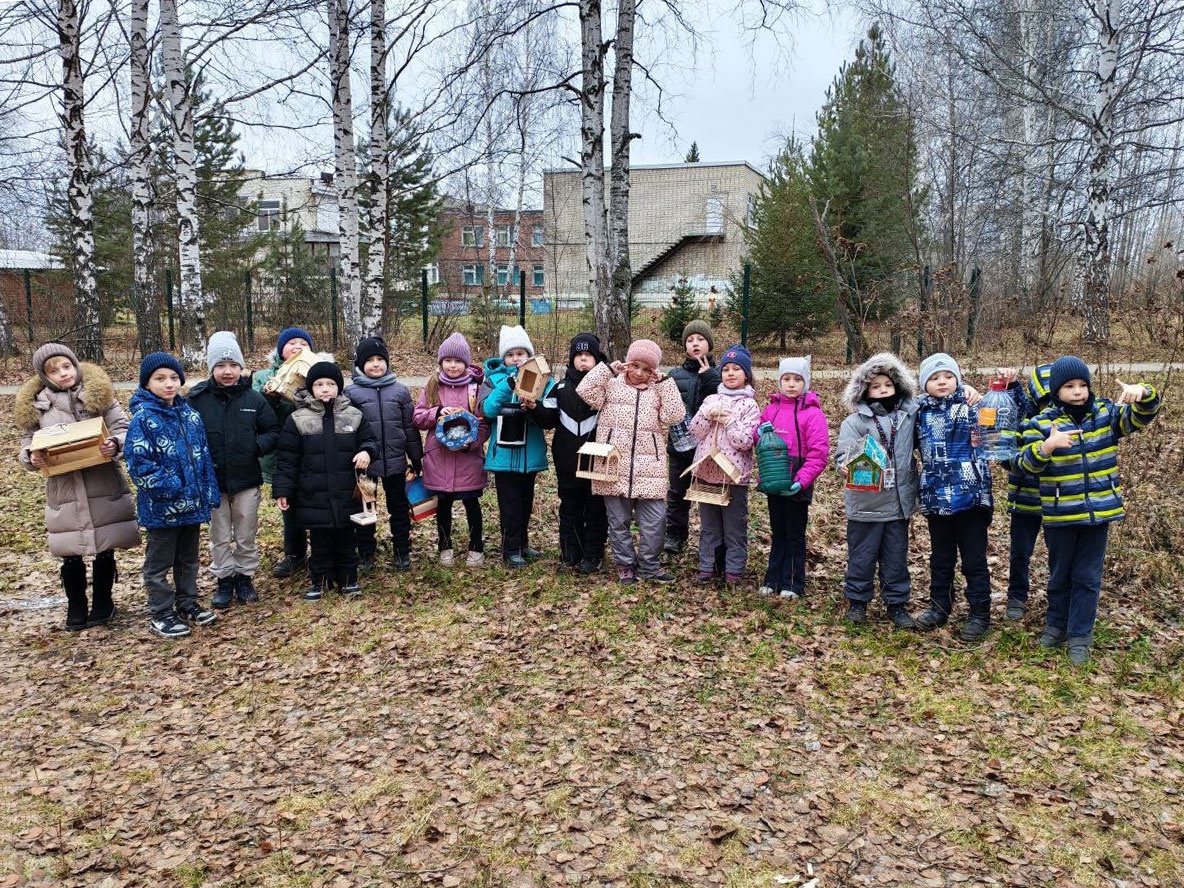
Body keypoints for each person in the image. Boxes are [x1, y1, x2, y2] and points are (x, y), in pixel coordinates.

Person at [1016, 357, 1161, 665]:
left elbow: (1143, 415)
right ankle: (1056, 624)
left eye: (1082, 385)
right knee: (1059, 574)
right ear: (1056, 390)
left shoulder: (1106, 415)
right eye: (1069, 386)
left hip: (1098, 515)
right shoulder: (1041, 424)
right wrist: (1048, 447)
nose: (1078, 392)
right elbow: (1024, 464)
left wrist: (1143, 391)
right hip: (1060, 515)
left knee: (1087, 576)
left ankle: (1080, 635)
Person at [16, 343, 140, 631]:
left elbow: (123, 428)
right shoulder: (36, 404)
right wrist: (31, 456)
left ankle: (103, 602)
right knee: (70, 548)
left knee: (104, 543)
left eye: (65, 366)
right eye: (53, 370)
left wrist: (116, 444)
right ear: (44, 376)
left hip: (101, 481)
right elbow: (26, 443)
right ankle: (76, 604)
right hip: (64, 488)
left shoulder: (98, 394)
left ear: (74, 365)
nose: (62, 374)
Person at [125, 352, 221, 639]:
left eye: (174, 378)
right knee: (159, 562)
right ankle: (161, 611)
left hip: (193, 504)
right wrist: (172, 487)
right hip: (163, 508)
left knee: (188, 558)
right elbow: (139, 464)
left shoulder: (190, 415)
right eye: (160, 379)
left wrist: (208, 490)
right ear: (147, 383)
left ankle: (187, 602)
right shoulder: (143, 419)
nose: (169, 384)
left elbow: (203, 458)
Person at [577, 339, 685, 585]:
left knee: (655, 522)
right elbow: (584, 391)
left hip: (651, 470)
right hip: (613, 466)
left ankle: (650, 566)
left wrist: (666, 384)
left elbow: (675, 416)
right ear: (627, 363)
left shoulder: (658, 390)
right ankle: (625, 564)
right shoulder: (612, 386)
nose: (639, 373)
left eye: (647, 369)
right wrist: (606, 370)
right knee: (618, 522)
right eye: (635, 366)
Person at [188, 332, 279, 609]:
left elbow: (273, 430)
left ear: (241, 367)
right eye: (220, 366)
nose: (227, 372)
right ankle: (224, 578)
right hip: (213, 480)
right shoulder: (197, 399)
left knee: (245, 532)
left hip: (246, 479)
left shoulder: (253, 399)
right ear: (211, 368)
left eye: (233, 365)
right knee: (219, 535)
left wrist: (256, 446)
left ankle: (244, 577)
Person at [273, 361, 377, 601]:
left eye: (330, 384)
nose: (325, 389)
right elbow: (287, 459)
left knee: (346, 539)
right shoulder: (298, 419)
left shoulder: (354, 415)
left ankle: (349, 580)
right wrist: (283, 490)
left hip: (346, 490)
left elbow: (370, 442)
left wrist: (367, 453)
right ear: (311, 389)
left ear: (339, 388)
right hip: (313, 492)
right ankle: (319, 581)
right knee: (320, 541)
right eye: (319, 385)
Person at [834, 353, 920, 628]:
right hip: (865, 503)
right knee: (862, 556)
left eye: (888, 385)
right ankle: (858, 602)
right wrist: (845, 466)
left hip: (898, 504)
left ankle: (897, 604)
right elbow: (842, 455)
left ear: (898, 387)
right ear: (864, 390)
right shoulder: (855, 422)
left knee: (896, 556)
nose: (883, 390)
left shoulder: (909, 417)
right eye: (876, 386)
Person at [912, 352, 995, 641]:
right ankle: (939, 606)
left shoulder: (972, 404)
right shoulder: (918, 411)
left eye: (947, 376)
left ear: (957, 379)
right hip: (937, 496)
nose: (942, 382)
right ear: (924, 385)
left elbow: (996, 430)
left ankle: (979, 612)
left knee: (974, 559)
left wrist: (984, 396)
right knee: (941, 557)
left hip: (971, 496)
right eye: (934, 378)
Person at [344, 336, 424, 572]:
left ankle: (402, 551)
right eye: (370, 360)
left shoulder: (399, 391)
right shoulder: (351, 393)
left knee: (398, 508)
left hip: (396, 462)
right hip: (366, 464)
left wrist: (416, 457)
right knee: (365, 509)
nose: (376, 364)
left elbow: (409, 428)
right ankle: (366, 552)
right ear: (360, 364)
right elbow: (348, 430)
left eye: (380, 359)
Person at [755, 356, 830, 599]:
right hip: (774, 478)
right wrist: (760, 433)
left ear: (806, 382)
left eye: (797, 379)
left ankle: (793, 582)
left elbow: (819, 453)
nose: (791, 384)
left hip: (797, 480)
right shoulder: (771, 409)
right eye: (786, 379)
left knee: (794, 533)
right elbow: (759, 439)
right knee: (777, 531)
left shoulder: (813, 414)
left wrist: (802, 479)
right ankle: (773, 578)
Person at [534, 333, 609, 574]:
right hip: (567, 461)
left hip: (597, 463)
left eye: (589, 355)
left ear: (598, 360)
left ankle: (593, 553)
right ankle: (570, 551)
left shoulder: (607, 388)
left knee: (596, 508)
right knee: (570, 506)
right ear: (571, 359)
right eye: (579, 355)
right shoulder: (560, 388)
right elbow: (547, 419)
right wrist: (532, 408)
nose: (583, 360)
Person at [413, 332, 489, 567]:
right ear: (441, 362)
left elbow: (484, 422)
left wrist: (472, 442)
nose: (452, 366)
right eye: (448, 361)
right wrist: (436, 412)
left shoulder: (476, 388)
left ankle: (476, 548)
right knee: (443, 505)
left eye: (458, 361)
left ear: (466, 363)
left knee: (471, 504)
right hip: (439, 457)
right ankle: (445, 547)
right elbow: (417, 417)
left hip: (468, 458)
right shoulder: (433, 385)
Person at [481, 325, 553, 568]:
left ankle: (522, 543)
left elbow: (547, 411)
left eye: (520, 354)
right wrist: (508, 385)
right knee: (509, 505)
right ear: (503, 358)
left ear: (529, 355)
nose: (515, 359)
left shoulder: (542, 378)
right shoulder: (493, 379)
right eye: (510, 355)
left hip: (529, 454)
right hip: (504, 456)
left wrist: (533, 405)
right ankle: (510, 549)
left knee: (525, 502)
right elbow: (488, 410)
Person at [687, 345, 760, 586]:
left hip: (734, 476)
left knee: (734, 526)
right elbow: (695, 432)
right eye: (726, 369)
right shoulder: (711, 398)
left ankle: (733, 571)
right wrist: (707, 414)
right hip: (707, 472)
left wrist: (729, 421)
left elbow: (745, 441)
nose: (730, 373)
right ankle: (707, 567)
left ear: (746, 374)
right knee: (709, 526)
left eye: (736, 369)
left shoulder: (750, 405)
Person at [253, 327, 315, 579]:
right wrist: (270, 395)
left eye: (303, 343)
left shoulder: (316, 371)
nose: (298, 347)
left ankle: (323, 550)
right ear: (281, 349)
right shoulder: (264, 376)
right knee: (288, 502)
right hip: (281, 452)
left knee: (315, 498)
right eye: (292, 343)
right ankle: (294, 553)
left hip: (312, 448)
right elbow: (256, 409)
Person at [664, 320, 720, 556]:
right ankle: (675, 536)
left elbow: (724, 397)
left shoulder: (719, 374)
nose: (695, 344)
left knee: (710, 495)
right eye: (690, 340)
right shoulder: (675, 375)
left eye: (700, 339)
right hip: (680, 448)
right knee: (677, 493)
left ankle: (712, 541)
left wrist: (709, 376)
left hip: (709, 449)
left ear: (709, 344)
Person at [1003, 363, 1052, 621]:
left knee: (1059, 554)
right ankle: (1016, 596)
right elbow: (1005, 453)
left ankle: (1058, 598)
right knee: (1020, 553)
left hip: (1060, 502)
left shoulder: (1068, 419)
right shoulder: (1022, 417)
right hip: (1025, 500)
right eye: (1046, 399)